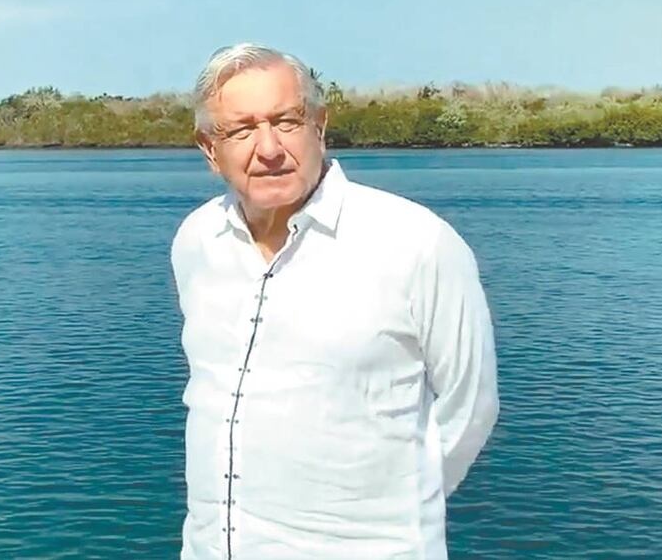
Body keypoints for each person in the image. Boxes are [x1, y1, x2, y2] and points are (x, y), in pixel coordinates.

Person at [170, 43, 499, 559]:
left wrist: (388, 505)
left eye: (286, 121)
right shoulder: (196, 241)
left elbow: (470, 410)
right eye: (241, 130)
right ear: (210, 148)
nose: (269, 148)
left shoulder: (416, 243)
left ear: (319, 127)